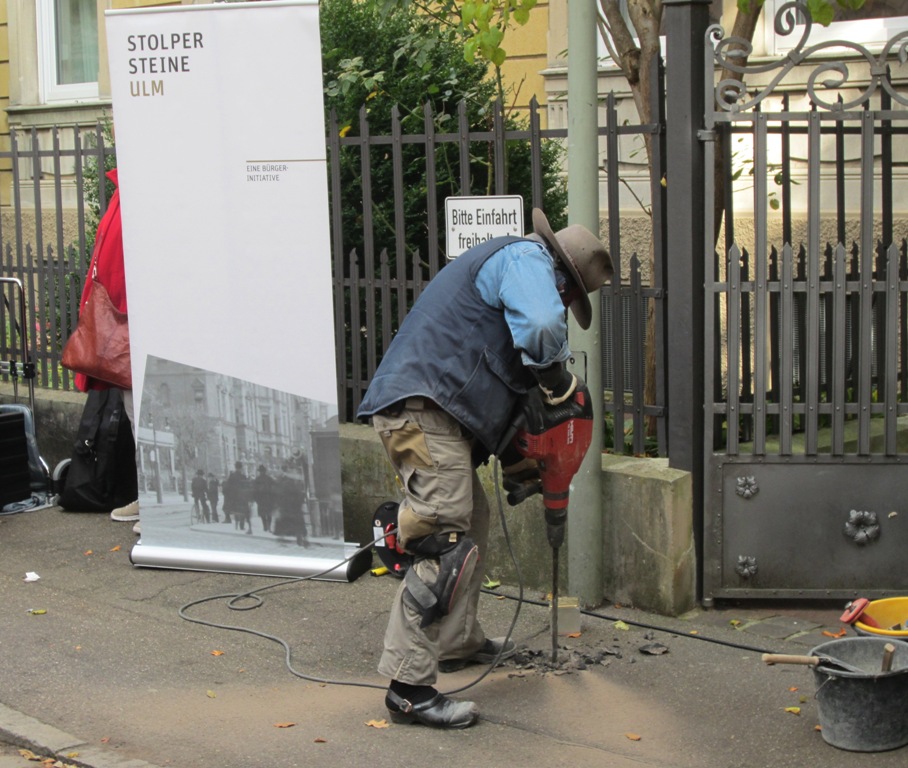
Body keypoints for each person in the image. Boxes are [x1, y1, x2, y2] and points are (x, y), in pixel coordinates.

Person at [357, 208, 612, 729]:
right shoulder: (524, 257)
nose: (563, 307)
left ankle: (456, 642)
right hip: (417, 411)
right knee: (443, 532)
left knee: (472, 519)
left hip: (434, 415)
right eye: (570, 298)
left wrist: (524, 465)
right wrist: (559, 381)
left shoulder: (516, 282)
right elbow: (541, 327)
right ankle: (407, 688)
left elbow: (500, 391)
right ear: (563, 276)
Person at [72, 168, 141, 534]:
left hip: (138, 313)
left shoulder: (140, 191)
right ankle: (151, 495)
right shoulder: (124, 190)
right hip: (123, 314)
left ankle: (160, 500)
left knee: (148, 410)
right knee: (136, 409)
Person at [253, 465, 276, 533]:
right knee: (268, 514)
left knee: (263, 514)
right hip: (268, 499)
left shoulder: (257, 479)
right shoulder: (269, 478)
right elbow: (274, 486)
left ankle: (265, 527)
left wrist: (256, 499)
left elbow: (254, 490)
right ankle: (268, 527)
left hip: (261, 499)